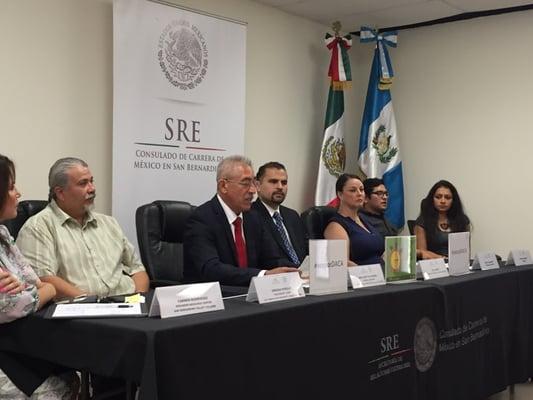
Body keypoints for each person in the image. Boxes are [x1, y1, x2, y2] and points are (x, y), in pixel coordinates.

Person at [0, 154, 78, 399]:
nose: (18, 193)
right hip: (7, 345)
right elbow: (8, 305)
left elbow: (35, 282)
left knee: (71, 379)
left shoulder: (2, 234)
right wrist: (38, 292)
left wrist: (29, 289)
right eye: (11, 187)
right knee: (51, 393)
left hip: (15, 340)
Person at [17, 157, 149, 298]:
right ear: (60, 192)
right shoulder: (38, 227)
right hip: (81, 312)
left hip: (128, 305)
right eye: (83, 183)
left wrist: (138, 300)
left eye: (91, 181)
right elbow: (44, 279)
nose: (92, 188)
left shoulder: (109, 223)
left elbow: (137, 270)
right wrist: (94, 303)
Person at [183, 155, 298, 286]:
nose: (253, 191)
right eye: (245, 183)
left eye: (253, 183)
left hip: (248, 297)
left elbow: (271, 259)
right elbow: (211, 269)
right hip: (212, 298)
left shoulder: (253, 218)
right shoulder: (201, 219)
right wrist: (262, 275)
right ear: (223, 186)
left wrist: (299, 271)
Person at [252, 162, 307, 265]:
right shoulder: (250, 216)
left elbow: (305, 251)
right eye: (273, 182)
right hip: (276, 278)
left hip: (304, 277)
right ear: (257, 185)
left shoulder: (292, 215)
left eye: (284, 182)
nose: (280, 187)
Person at [324, 174, 384, 266]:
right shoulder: (335, 227)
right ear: (340, 194)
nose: (359, 193)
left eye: (361, 189)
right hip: (362, 278)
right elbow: (342, 264)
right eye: (353, 190)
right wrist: (368, 274)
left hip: (383, 275)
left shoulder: (364, 220)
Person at [415, 180, 470, 259]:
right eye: (438, 197)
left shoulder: (463, 220)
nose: (443, 201)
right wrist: (444, 259)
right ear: (432, 199)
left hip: (458, 266)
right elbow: (421, 253)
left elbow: (465, 252)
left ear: (453, 201)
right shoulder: (422, 221)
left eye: (447, 198)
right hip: (433, 266)